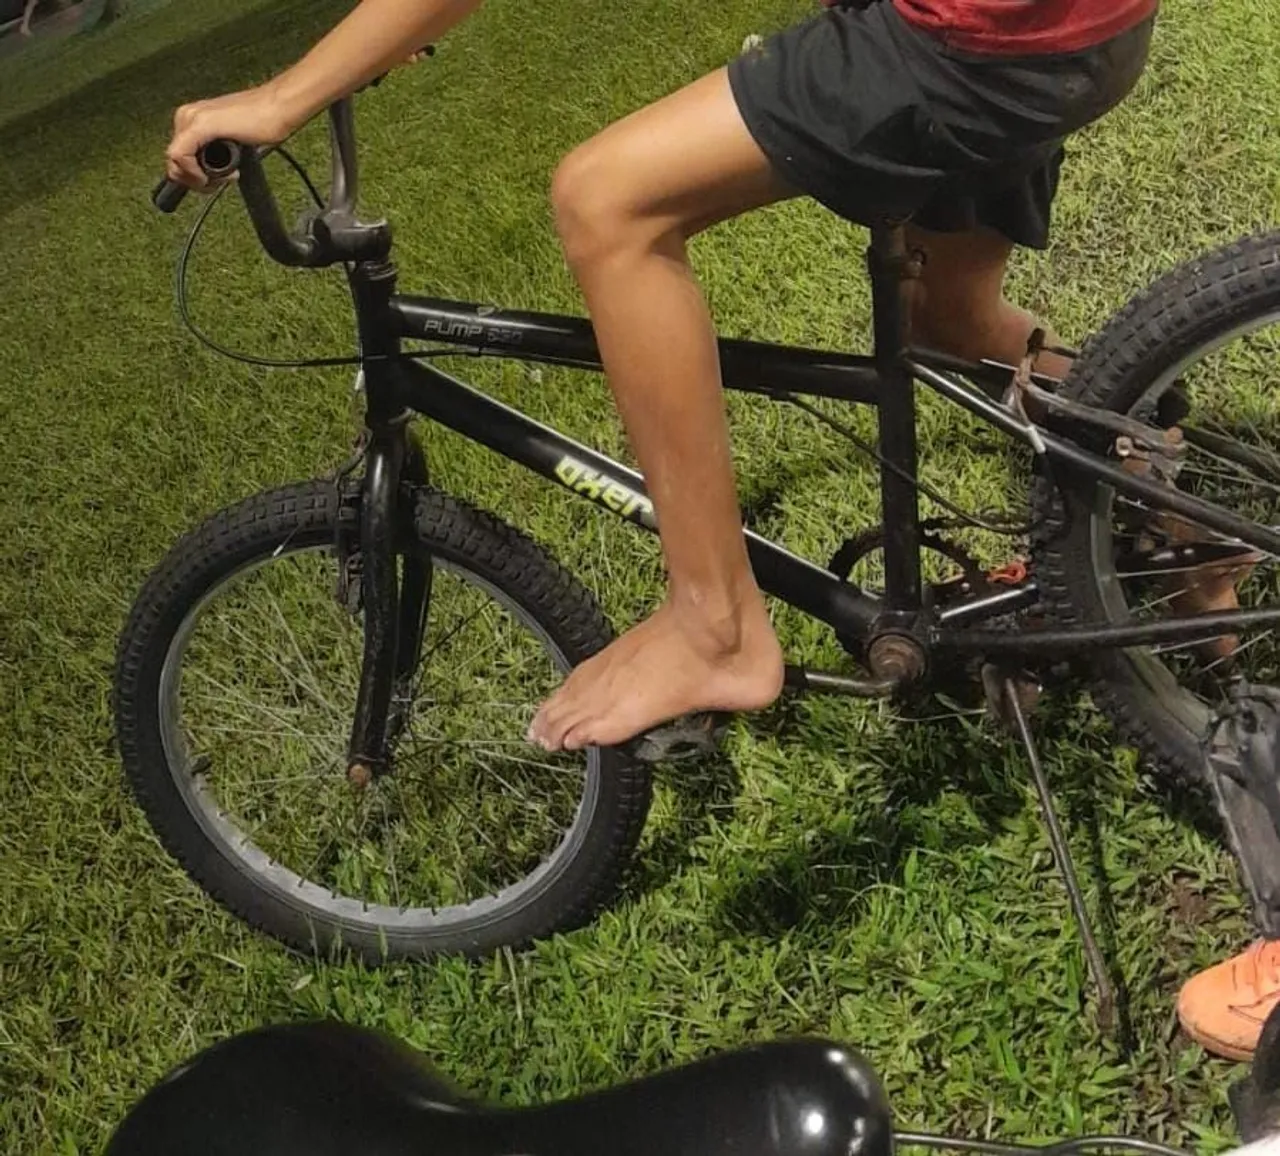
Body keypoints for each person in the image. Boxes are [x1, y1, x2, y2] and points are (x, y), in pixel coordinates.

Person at [165, 0, 1160, 756]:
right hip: (1076, 26)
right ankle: (1175, 507)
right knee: (949, 321)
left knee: (607, 202)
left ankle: (714, 628)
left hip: (975, 41)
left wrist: (283, 97)